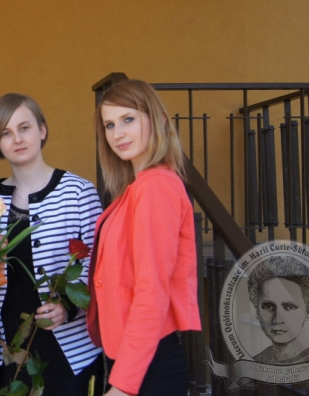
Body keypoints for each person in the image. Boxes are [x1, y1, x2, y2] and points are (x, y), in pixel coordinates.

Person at [0, 93, 104, 395]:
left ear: (42, 130)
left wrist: (67, 308)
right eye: (6, 133)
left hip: (69, 350)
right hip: (10, 349)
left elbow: (98, 268)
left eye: (24, 128)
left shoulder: (78, 192)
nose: (17, 139)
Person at [87, 79, 202, 396]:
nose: (117, 134)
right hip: (133, 359)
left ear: (159, 120)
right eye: (110, 125)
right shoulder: (135, 189)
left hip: (145, 366)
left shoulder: (155, 187)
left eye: (128, 119)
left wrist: (122, 386)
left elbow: (151, 292)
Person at [247, 256, 309, 365]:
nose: (278, 319)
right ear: (257, 311)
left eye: (289, 307)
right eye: (269, 306)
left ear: (308, 311)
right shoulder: (257, 361)